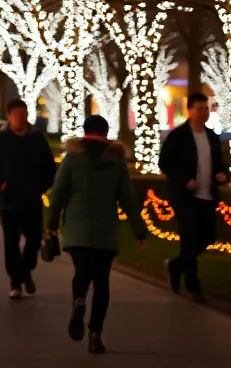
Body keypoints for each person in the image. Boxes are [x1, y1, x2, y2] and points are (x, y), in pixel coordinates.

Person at [47, 115, 147, 355]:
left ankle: (79, 299)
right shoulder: (116, 161)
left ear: (85, 131)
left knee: (82, 270)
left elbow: (58, 194)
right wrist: (140, 231)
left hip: (77, 228)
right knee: (102, 281)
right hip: (106, 230)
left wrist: (50, 225)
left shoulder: (72, 159)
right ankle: (95, 333)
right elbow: (128, 199)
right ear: (105, 132)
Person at [0, 98, 56, 299]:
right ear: (9, 116)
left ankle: (25, 271)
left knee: (33, 239)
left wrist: (41, 187)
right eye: (17, 115)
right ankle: (15, 281)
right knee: (11, 241)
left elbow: (50, 167)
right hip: (9, 199)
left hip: (32, 198)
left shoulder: (36, 138)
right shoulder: (0, 138)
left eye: (24, 114)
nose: (21, 118)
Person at [159, 91, 228, 303]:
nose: (204, 113)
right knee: (189, 240)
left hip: (208, 196)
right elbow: (165, 163)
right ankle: (193, 286)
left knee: (207, 238)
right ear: (189, 110)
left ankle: (175, 265)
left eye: (206, 108)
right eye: (199, 108)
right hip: (186, 198)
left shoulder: (212, 137)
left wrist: (223, 175)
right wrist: (184, 181)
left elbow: (219, 164)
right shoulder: (178, 136)